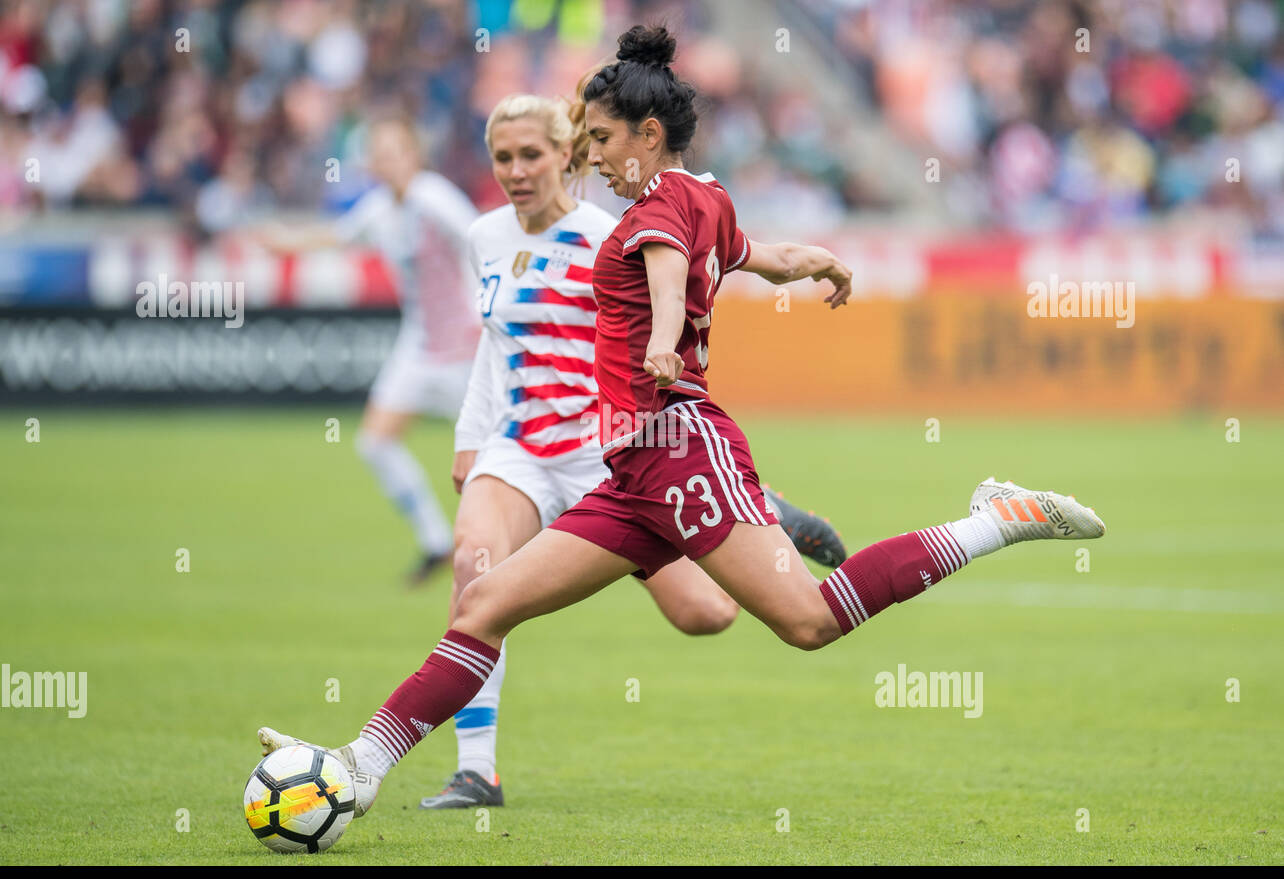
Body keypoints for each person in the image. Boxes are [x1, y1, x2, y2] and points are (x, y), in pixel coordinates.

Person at [258, 24, 1105, 823]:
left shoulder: (653, 213)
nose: (591, 154)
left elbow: (666, 282)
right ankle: (360, 767)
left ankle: (993, 519)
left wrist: (664, 343)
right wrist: (819, 263)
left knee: (808, 622)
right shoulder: (706, 196)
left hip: (679, 448)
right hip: (631, 471)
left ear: (649, 133)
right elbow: (761, 257)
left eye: (599, 137)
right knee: (482, 606)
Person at [419, 91, 847, 809]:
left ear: (568, 155)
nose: (517, 171)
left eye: (532, 155)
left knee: (706, 614)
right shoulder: (483, 238)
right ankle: (476, 770)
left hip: (610, 452)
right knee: (475, 567)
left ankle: (748, 508)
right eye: (503, 158)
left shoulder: (609, 231)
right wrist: (471, 438)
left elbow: (679, 305)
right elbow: (493, 345)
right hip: (519, 446)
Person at [256, 117, 482, 584]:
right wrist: (284, 243)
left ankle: (510, 544)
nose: (386, 161)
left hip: (465, 348)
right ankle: (436, 540)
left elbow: (481, 242)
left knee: (488, 459)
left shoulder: (434, 198)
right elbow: (337, 236)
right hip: (419, 347)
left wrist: (490, 308)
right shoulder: (379, 208)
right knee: (376, 442)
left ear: (414, 155)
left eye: (395, 151)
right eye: (378, 154)